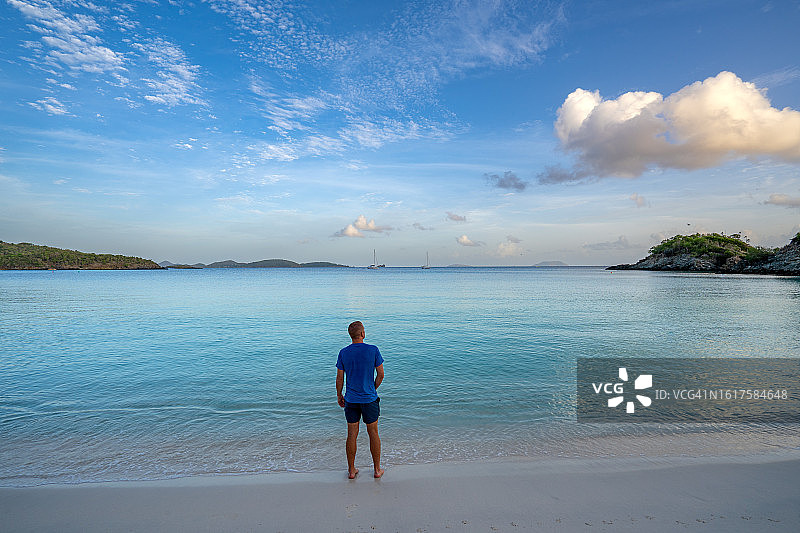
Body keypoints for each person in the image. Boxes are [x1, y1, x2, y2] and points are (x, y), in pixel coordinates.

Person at [336, 320, 384, 479]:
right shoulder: (373, 350)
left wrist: (339, 395)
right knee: (373, 433)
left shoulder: (343, 352)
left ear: (350, 335)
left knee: (352, 434)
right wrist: (372, 388)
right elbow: (381, 375)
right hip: (369, 399)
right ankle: (377, 470)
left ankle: (351, 470)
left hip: (351, 399)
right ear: (363, 334)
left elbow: (340, 378)